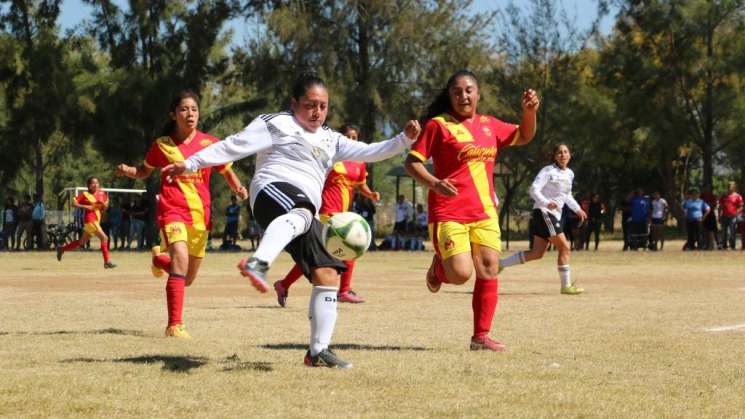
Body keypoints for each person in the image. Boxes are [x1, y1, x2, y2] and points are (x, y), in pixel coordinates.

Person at [162, 74, 421, 368]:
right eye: (310, 104)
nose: (317, 112)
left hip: (303, 212)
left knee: (328, 272)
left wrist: (404, 139)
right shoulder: (276, 123)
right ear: (294, 103)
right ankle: (257, 262)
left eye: (323, 106)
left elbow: (371, 151)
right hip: (270, 192)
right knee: (301, 212)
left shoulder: (331, 139)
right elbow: (232, 145)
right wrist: (191, 162)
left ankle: (318, 352)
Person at [404, 69, 539, 352]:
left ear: (478, 94)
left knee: (489, 268)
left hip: (484, 212)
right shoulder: (438, 126)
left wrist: (529, 112)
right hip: (448, 211)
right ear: (450, 96)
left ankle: (481, 336)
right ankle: (439, 269)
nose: (463, 96)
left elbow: (525, 135)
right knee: (461, 274)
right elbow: (412, 163)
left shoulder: (490, 125)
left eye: (468, 90)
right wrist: (435, 183)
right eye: (457, 91)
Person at [116, 90, 247, 339]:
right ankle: (174, 325)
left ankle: (158, 260)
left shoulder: (210, 144)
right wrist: (129, 171)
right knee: (180, 258)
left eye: (194, 109)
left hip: (201, 215)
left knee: (186, 278)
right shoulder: (163, 145)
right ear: (173, 114)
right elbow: (145, 170)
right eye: (184, 109)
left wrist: (238, 188)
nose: (190, 114)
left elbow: (226, 171)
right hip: (172, 209)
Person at [273, 124, 382, 306]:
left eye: (355, 137)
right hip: (327, 212)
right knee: (345, 249)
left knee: (319, 256)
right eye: (348, 136)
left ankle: (284, 284)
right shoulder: (331, 157)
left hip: (344, 215)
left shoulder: (360, 162)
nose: (351, 140)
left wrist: (370, 194)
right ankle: (343, 291)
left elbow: (360, 185)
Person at [500, 143, 587, 295]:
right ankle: (566, 286)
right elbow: (533, 189)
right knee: (564, 248)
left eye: (565, 152)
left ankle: (500, 264)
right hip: (544, 212)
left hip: (551, 215)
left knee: (537, 253)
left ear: (570, 155)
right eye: (559, 152)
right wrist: (547, 203)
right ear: (555, 156)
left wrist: (578, 208)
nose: (563, 155)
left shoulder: (570, 174)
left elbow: (567, 195)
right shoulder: (548, 170)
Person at [56, 177, 116, 268]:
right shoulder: (85, 194)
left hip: (96, 220)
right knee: (104, 238)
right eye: (93, 183)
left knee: (81, 242)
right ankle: (107, 262)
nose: (95, 185)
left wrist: (105, 205)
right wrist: (85, 206)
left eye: (97, 183)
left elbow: (104, 207)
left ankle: (62, 249)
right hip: (90, 219)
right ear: (88, 185)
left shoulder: (102, 193)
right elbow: (74, 203)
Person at [718, 182, 742, 250]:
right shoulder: (724, 195)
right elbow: (720, 206)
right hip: (724, 216)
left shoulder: (738, 196)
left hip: (733, 217)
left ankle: (732, 246)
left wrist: (736, 212)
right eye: (728, 186)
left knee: (732, 231)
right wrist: (719, 216)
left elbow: (741, 206)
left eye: (731, 186)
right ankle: (724, 245)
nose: (729, 187)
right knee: (723, 232)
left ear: (734, 187)